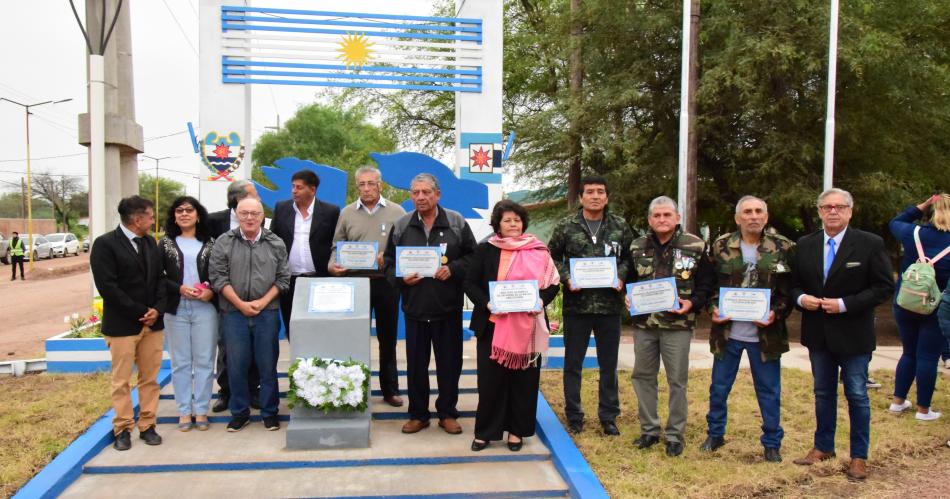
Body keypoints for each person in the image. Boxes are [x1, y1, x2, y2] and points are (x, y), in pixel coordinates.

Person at [790, 188, 893, 481]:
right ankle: (823, 446)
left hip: (854, 334)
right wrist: (801, 300)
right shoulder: (806, 244)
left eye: (839, 207)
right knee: (823, 393)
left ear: (850, 211)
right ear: (819, 211)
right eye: (827, 207)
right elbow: (794, 285)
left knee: (857, 395)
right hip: (818, 334)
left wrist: (846, 304)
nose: (833, 211)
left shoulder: (869, 244)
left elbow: (884, 287)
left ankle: (859, 456)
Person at [700, 196, 794, 463]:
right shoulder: (720, 246)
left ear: (766, 216)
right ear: (737, 218)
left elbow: (789, 290)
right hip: (727, 334)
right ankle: (715, 434)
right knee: (719, 387)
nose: (753, 216)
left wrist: (777, 312)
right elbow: (708, 285)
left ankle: (772, 443)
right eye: (747, 212)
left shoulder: (783, 247)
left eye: (758, 212)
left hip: (766, 335)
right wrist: (712, 308)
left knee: (769, 390)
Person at [463, 200, 561, 452]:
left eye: (517, 220)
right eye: (507, 220)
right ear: (497, 224)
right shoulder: (486, 249)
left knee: (524, 382)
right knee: (490, 383)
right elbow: (469, 282)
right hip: (493, 325)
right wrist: (486, 304)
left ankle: (517, 431)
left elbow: (552, 284)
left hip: (528, 326)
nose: (513, 224)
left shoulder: (539, 250)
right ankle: (485, 432)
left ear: (523, 222)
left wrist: (540, 300)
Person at [383, 173, 477, 435]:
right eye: (415, 192)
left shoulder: (456, 222)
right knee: (415, 366)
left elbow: (473, 257)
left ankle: (447, 413)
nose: (420, 197)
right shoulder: (402, 225)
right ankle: (418, 414)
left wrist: (454, 269)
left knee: (449, 364)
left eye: (426, 192)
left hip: (447, 309)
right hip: (414, 310)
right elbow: (389, 264)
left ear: (437, 194)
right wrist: (402, 279)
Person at [625, 196, 715, 457]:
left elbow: (706, 284)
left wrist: (692, 303)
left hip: (678, 324)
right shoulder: (637, 246)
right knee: (643, 377)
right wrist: (627, 297)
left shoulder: (695, 245)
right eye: (657, 216)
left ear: (677, 218)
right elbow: (630, 278)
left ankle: (675, 434)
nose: (662, 220)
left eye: (667, 215)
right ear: (649, 220)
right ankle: (649, 430)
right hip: (645, 324)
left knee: (677, 380)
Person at [547, 176, 635, 438]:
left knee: (609, 364)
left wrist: (621, 275)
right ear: (581, 197)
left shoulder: (620, 225)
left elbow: (631, 257)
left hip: (609, 306)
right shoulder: (566, 226)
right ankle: (574, 416)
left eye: (600, 192)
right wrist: (566, 277)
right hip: (577, 306)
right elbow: (551, 256)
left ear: (606, 197)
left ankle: (608, 416)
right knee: (573, 364)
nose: (595, 196)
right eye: (590, 192)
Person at [90, 195, 167, 451]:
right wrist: (139, 311)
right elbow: (108, 287)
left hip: (152, 325)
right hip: (123, 325)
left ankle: (148, 425)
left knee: (150, 378)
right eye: (150, 215)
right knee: (121, 380)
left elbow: (160, 280)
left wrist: (156, 309)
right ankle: (123, 428)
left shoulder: (150, 244)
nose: (153, 220)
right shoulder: (105, 245)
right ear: (137, 219)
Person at [329, 166, 407, 407]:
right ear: (357, 187)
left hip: (386, 283)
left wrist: (390, 258)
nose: (366, 189)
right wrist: (333, 265)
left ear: (380, 185)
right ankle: (355, 389)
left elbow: (405, 248)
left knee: (387, 339)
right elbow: (336, 246)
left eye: (371, 184)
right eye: (361, 184)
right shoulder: (346, 213)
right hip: (355, 284)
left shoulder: (397, 212)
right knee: (355, 338)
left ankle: (390, 389)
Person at [210, 197, 290, 432]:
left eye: (254, 213)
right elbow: (218, 277)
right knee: (236, 366)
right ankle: (239, 413)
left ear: (262, 216)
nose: (249, 218)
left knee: (267, 366)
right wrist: (240, 304)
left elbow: (283, 278)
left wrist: (263, 302)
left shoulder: (275, 242)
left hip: (267, 313)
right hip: (233, 313)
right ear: (237, 214)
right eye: (244, 213)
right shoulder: (224, 241)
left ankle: (269, 412)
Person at [888, 193, 950, 421]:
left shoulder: (913, 233)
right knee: (928, 357)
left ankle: (898, 401)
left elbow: (894, 222)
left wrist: (920, 207)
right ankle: (924, 410)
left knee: (909, 353)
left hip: (905, 302)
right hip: (936, 305)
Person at [160, 196, 218, 432]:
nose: (184, 214)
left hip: (204, 308)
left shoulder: (211, 243)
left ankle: (202, 409)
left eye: (189, 210)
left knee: (204, 360)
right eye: (179, 210)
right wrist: (179, 288)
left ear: (198, 214)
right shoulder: (165, 244)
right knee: (181, 362)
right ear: (174, 215)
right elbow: (157, 277)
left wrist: (211, 292)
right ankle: (184, 411)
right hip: (176, 308)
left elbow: (220, 272)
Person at [207, 180, 261, 414]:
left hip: (257, 296)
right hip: (225, 295)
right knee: (226, 346)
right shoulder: (212, 221)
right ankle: (226, 391)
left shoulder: (262, 220)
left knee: (255, 346)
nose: (258, 198)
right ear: (239, 200)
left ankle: (253, 390)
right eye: (254, 193)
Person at [269, 169, 340, 338]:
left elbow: (336, 243)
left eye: (299, 187)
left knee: (320, 328)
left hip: (319, 279)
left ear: (312, 189)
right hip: (289, 280)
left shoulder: (331, 212)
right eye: (293, 186)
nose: (294, 190)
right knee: (292, 327)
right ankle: (298, 364)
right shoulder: (282, 208)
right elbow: (272, 240)